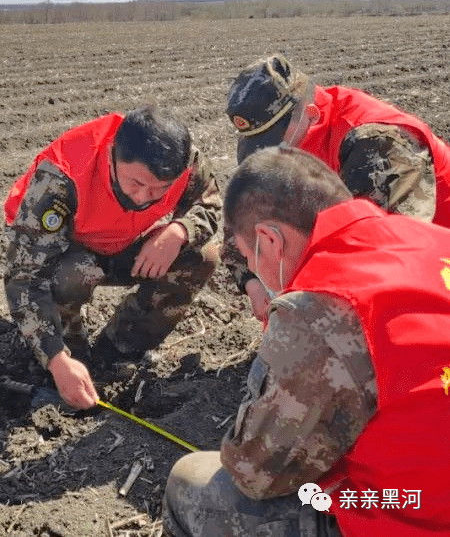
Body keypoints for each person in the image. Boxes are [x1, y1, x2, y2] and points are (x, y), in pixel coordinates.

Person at [162, 146, 450, 537]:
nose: (252, 270)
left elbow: (256, 472)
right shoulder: (430, 237)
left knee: (190, 483)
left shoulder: (322, 309)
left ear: (270, 239)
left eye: (249, 256)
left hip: (416, 516)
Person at [3, 105, 221, 411]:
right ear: (112, 154)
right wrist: (56, 358)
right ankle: (70, 363)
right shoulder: (60, 177)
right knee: (72, 274)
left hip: (121, 241)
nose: (144, 197)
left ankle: (119, 350)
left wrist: (179, 231)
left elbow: (209, 203)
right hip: (63, 249)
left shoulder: (184, 161)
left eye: (160, 189)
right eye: (135, 183)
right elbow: (24, 277)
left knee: (202, 255)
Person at [225, 53, 450, 321]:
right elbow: (242, 215)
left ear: (309, 114)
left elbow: (378, 258)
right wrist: (253, 280)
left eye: (273, 140)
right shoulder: (298, 138)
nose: (271, 152)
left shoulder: (379, 145)